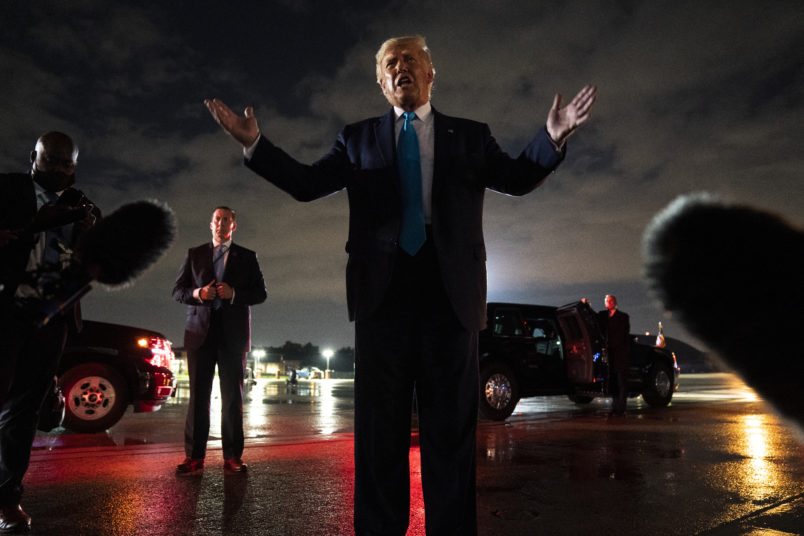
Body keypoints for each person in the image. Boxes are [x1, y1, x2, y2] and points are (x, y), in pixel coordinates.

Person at [205, 35, 597, 534]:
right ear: (380, 82)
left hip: (449, 297)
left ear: (432, 72)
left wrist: (552, 138)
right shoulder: (357, 138)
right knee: (378, 436)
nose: (400, 67)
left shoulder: (470, 135)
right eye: (390, 63)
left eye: (410, 58)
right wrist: (254, 145)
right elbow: (306, 185)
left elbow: (517, 178)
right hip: (381, 298)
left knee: (451, 435)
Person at [0, 132, 99, 533]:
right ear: (33, 157)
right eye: (50, 159)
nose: (58, 168)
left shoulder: (84, 207)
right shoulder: (6, 189)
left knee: (24, 412)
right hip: (3, 311)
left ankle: (6, 498)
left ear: (74, 166)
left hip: (49, 322)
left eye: (66, 163)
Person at [172, 207, 267, 475]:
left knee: (232, 400)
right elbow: (177, 291)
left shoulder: (248, 257)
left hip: (233, 337)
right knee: (198, 399)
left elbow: (261, 293)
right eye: (217, 219)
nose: (221, 223)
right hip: (199, 335)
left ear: (233, 225)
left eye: (227, 219)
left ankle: (232, 457)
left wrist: (234, 293)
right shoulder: (195, 254)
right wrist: (198, 293)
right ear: (210, 223)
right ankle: (194, 458)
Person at [596, 295, 631, 415]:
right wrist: (585, 304)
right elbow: (591, 317)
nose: (609, 303)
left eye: (611, 301)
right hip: (609, 355)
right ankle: (615, 407)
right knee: (613, 383)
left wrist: (609, 345)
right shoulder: (603, 316)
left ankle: (621, 407)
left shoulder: (623, 317)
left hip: (620, 354)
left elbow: (623, 335)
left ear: (615, 302)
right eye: (606, 301)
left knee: (621, 382)